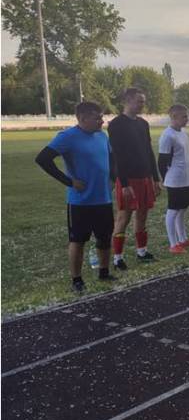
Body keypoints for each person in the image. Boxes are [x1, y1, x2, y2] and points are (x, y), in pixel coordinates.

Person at [35, 102, 117, 292]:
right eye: (97, 118)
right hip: (80, 201)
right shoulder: (67, 137)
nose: (102, 121)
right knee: (78, 240)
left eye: (102, 117)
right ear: (82, 118)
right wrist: (69, 182)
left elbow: (112, 159)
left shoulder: (102, 136)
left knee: (105, 238)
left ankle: (104, 272)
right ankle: (77, 280)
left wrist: (113, 178)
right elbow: (43, 159)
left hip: (103, 199)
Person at [108, 87, 161, 270]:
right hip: (128, 178)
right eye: (139, 101)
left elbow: (148, 151)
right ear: (128, 100)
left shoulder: (143, 124)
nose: (142, 104)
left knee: (143, 215)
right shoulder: (116, 124)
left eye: (143, 101)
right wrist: (123, 183)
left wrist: (155, 178)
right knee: (124, 216)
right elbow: (117, 156)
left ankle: (142, 251)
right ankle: (117, 258)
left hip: (145, 176)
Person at [158, 104, 189, 254]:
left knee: (182, 209)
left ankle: (183, 239)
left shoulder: (183, 133)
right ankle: (173, 244)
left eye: (187, 115)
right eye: (184, 116)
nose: (187, 119)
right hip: (175, 179)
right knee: (173, 210)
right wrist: (165, 179)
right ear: (174, 117)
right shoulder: (168, 135)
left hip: (186, 178)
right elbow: (162, 161)